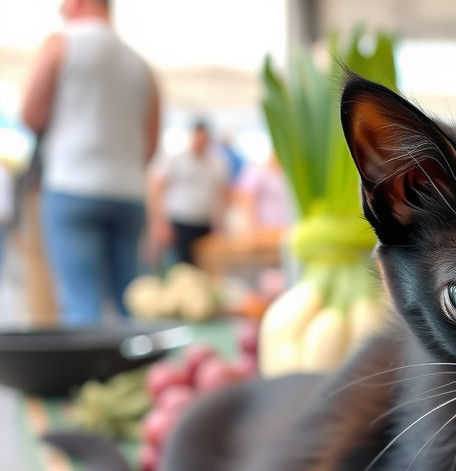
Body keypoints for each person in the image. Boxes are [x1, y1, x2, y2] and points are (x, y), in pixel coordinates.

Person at [20, 0, 160, 325]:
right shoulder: (141, 65)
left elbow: (31, 113)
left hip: (72, 187)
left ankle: (89, 377)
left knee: (82, 303)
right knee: (133, 303)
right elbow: (150, 146)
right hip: (128, 193)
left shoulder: (61, 44)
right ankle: (140, 374)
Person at [150, 120, 230, 266]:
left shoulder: (216, 163)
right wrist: (160, 222)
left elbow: (222, 194)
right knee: (181, 266)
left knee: (203, 265)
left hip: (205, 223)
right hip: (180, 221)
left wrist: (221, 223)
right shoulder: (176, 159)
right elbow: (158, 187)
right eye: (198, 137)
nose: (200, 142)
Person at [236, 154, 292, 232]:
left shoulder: (287, 173)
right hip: (263, 232)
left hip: (284, 230)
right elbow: (246, 200)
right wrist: (252, 228)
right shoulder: (256, 170)